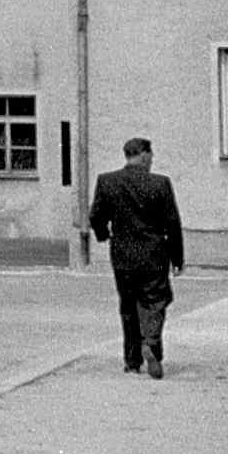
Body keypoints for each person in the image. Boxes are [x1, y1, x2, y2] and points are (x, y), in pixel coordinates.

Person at [87, 135, 188, 377]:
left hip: (122, 254)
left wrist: (104, 235)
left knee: (128, 305)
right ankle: (150, 344)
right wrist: (177, 258)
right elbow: (172, 223)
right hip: (154, 254)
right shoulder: (160, 184)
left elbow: (95, 216)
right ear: (143, 154)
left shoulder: (107, 181)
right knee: (155, 301)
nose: (152, 160)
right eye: (151, 155)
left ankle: (132, 361)